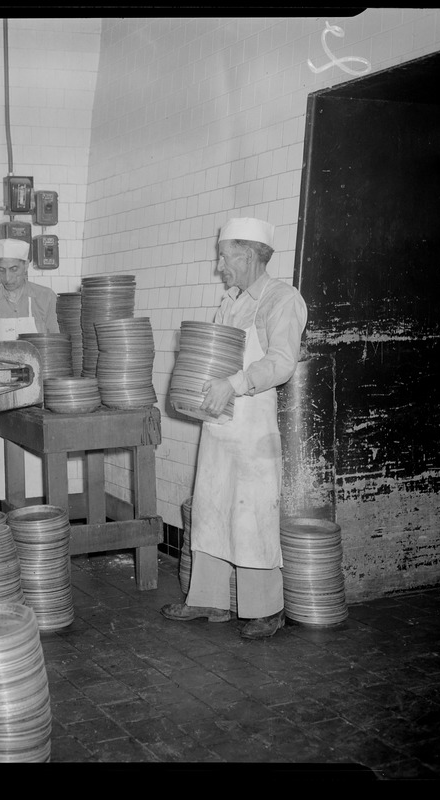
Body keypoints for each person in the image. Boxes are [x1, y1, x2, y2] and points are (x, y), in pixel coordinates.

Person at [162, 217, 308, 639]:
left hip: (252, 428)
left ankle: (266, 609)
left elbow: (282, 361)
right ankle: (208, 600)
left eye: (224, 256)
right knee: (211, 506)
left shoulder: (282, 299)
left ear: (247, 253)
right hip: (219, 425)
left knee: (252, 513)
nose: (220, 266)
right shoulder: (231, 301)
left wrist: (233, 385)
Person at [0, 237, 59, 503]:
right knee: (1, 456)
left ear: (27, 265)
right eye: (1, 269)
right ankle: (9, 513)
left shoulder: (44, 298)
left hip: (37, 395)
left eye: (14, 269)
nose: (7, 277)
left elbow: (56, 344)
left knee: (38, 458)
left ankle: (40, 515)